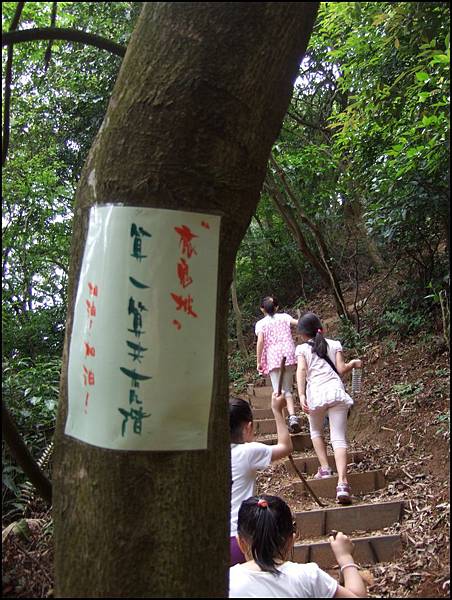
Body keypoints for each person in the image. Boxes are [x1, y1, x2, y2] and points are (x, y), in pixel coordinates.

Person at [229, 494, 367, 598]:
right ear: (291, 541)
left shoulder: (227, 581)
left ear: (240, 542)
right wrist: (345, 557)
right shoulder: (308, 577)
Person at [295, 312, 362, 505]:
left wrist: (301, 395)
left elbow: (301, 371)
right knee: (338, 438)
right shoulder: (334, 344)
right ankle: (342, 483)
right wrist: (353, 363)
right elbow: (341, 370)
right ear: (320, 328)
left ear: (302, 334)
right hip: (336, 392)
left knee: (316, 431)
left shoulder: (302, 349)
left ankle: (325, 468)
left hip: (315, 394)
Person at [229, 394, 293, 566]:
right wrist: (277, 411)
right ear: (248, 427)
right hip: (240, 540)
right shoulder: (247, 452)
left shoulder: (209, 454)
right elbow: (285, 447)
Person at [255, 296, 301, 433]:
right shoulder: (285, 317)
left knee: (277, 390)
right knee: (288, 389)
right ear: (277, 307)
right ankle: (293, 417)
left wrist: (258, 361)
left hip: (273, 356)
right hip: (288, 352)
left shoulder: (261, 324)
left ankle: (280, 422)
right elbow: (298, 322)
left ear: (262, 309)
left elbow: (261, 342)